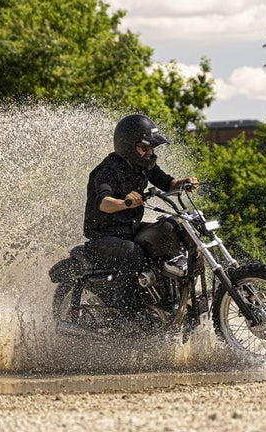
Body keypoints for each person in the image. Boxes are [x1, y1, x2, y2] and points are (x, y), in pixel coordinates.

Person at [83, 113, 198, 315]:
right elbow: (104, 203)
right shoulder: (108, 170)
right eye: (145, 147)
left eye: (151, 147)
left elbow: (167, 182)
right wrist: (126, 202)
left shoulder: (143, 165)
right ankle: (126, 312)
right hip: (103, 238)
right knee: (133, 254)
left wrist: (183, 183)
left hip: (130, 230)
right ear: (128, 146)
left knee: (171, 231)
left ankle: (168, 300)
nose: (149, 152)